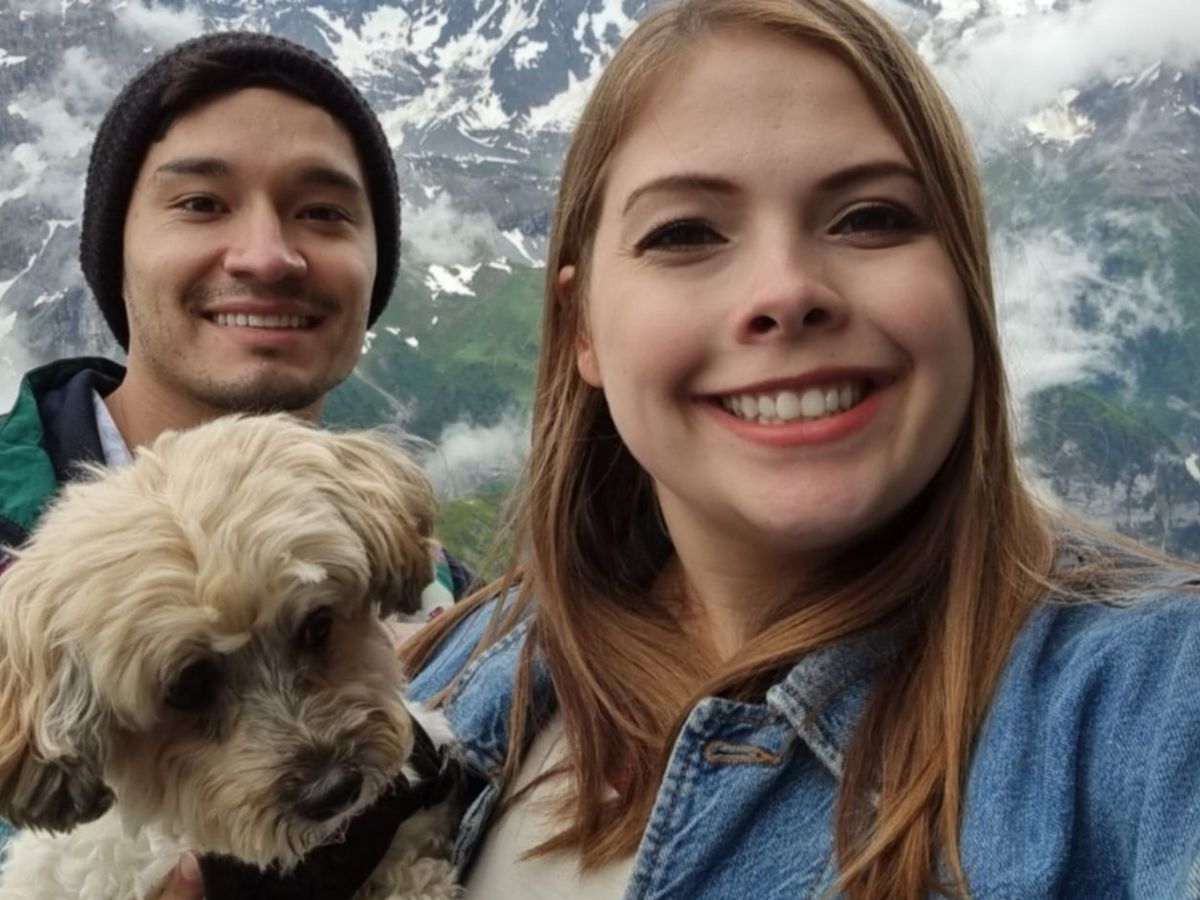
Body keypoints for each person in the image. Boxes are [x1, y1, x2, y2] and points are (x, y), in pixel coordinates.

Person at [402, 0, 1200, 897]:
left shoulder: (1159, 697)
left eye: (871, 217)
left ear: (966, 277)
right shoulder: (454, 671)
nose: (785, 291)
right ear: (579, 325)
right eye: (685, 233)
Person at [0, 32, 467, 893]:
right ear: (114, 248)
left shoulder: (457, 596)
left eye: (323, 211)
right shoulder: (43, 624)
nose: (267, 255)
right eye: (202, 203)